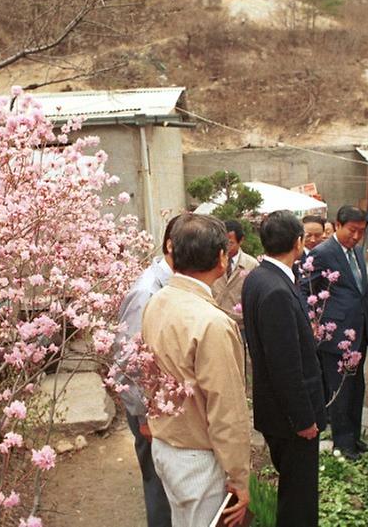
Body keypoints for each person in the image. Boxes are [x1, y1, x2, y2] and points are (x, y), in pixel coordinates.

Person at [142, 214, 252, 527]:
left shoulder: (158, 300)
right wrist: (240, 477)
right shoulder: (213, 322)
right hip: (196, 458)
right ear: (221, 257)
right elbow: (227, 410)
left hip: (166, 445)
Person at [241, 210, 326, 527]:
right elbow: (285, 364)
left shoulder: (259, 277)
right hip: (290, 417)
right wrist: (303, 419)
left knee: (295, 493)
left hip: (278, 411)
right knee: (299, 500)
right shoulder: (275, 288)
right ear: (298, 242)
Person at [115, 216, 180, 527]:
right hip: (150, 409)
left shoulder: (172, 282)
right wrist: (144, 416)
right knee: (159, 486)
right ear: (171, 245)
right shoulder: (147, 292)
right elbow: (130, 359)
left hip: (166, 402)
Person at [300, 205, 368, 460]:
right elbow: (305, 290)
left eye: (361, 231)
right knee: (340, 391)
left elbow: (363, 290)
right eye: (352, 230)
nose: (356, 236)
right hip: (335, 334)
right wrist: (313, 321)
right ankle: (342, 443)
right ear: (337, 225)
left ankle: (355, 438)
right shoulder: (322, 253)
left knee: (357, 388)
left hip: (359, 331)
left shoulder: (356, 252)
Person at [212, 220, 259, 332]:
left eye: (230, 243)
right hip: (215, 322)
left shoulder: (252, 265)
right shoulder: (211, 261)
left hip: (240, 325)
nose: (225, 247)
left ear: (241, 240)